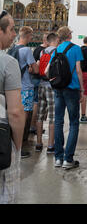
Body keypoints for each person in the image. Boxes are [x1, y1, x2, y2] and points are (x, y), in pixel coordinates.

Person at [48, 26, 84, 170]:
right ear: (69, 35)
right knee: (74, 123)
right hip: (72, 88)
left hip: (58, 89)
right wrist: (82, 89)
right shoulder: (76, 49)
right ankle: (68, 159)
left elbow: (47, 70)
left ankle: (58, 158)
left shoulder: (56, 50)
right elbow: (79, 70)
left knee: (58, 121)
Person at [0, 11, 25, 204]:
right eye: (11, 29)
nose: (14, 34)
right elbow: (15, 112)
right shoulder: (8, 63)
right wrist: (17, 145)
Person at [11, 26, 39, 159]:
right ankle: (20, 147)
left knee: (15, 117)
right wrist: (33, 67)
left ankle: (12, 145)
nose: (31, 38)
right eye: (31, 36)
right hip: (26, 88)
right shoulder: (26, 50)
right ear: (27, 36)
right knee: (24, 118)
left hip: (15, 88)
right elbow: (36, 69)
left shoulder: (13, 48)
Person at [35, 32, 59, 154]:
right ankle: (50, 145)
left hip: (41, 84)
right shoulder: (56, 51)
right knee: (53, 116)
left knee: (40, 115)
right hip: (51, 86)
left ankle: (38, 143)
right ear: (56, 40)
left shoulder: (42, 52)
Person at [30, 32, 49, 135]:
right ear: (46, 40)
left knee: (34, 102)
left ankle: (32, 126)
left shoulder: (37, 49)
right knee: (37, 104)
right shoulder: (43, 51)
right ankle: (34, 126)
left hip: (33, 79)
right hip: (39, 79)